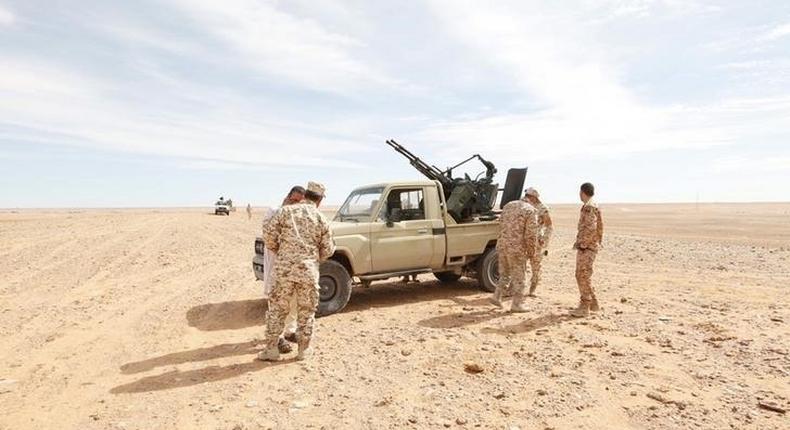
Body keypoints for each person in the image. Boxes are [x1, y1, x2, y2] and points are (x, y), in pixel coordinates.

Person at [258, 181, 335, 361]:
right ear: (319, 200)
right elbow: (328, 249)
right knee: (306, 311)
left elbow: (268, 236)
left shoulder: (285, 212)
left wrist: (282, 252)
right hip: (308, 271)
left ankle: (271, 350)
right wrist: (312, 258)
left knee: (277, 309)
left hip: (284, 270)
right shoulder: (320, 218)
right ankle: (303, 351)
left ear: (305, 194)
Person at [261, 186, 305, 353]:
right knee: (276, 300)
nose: (293, 204)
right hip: (275, 263)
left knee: (292, 299)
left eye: (298, 202)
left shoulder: (298, 216)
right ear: (287, 196)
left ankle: (290, 331)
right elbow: (268, 237)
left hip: (290, 267)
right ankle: (277, 337)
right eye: (292, 200)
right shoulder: (274, 211)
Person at [490, 192, 539, 312]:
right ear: (532, 198)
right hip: (517, 249)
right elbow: (531, 235)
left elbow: (500, 224)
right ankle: (517, 305)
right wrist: (532, 252)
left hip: (502, 246)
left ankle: (497, 296)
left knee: (504, 274)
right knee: (520, 278)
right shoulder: (530, 210)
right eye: (536, 200)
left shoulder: (508, 205)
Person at [571, 182, 604, 317]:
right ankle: (593, 303)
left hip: (587, 247)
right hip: (590, 245)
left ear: (582, 192)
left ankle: (585, 307)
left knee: (581, 275)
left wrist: (583, 244)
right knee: (585, 275)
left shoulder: (589, 207)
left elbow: (590, 228)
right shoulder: (592, 205)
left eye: (580, 192)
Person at [524, 187, 553, 297]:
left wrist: (544, 240)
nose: (527, 198)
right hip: (526, 241)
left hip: (536, 241)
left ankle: (533, 288)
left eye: (529, 196)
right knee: (521, 264)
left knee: (535, 265)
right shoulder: (527, 207)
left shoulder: (543, 208)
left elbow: (549, 226)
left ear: (534, 197)